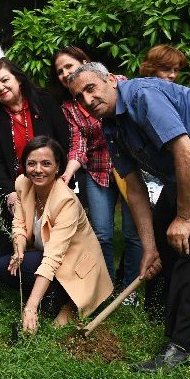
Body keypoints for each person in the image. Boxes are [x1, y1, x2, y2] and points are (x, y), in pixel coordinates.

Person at [67, 62, 190, 372]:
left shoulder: (142, 96)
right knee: (163, 234)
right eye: (79, 97)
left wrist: (186, 218)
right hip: (188, 165)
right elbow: (135, 190)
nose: (88, 100)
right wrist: (150, 248)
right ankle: (167, 317)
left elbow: (188, 152)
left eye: (91, 88)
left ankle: (183, 346)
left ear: (111, 80)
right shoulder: (111, 127)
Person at [50, 46, 142, 303]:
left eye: (69, 66)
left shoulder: (116, 83)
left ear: (84, 62)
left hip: (130, 170)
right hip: (97, 172)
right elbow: (78, 145)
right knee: (101, 234)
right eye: (59, 71)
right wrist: (68, 172)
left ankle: (130, 290)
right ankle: (106, 288)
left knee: (133, 233)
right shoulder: (70, 107)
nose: (65, 73)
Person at [0, 136, 112, 333]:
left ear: (58, 167)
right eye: (31, 163)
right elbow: (19, 224)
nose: (38, 170)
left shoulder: (66, 201)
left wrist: (30, 307)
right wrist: (19, 250)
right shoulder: (22, 184)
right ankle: (50, 298)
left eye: (46, 163)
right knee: (3, 267)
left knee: (55, 319)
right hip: (48, 257)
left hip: (75, 266)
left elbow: (53, 257)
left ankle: (70, 302)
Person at [0, 57, 70, 283]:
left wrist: (59, 177)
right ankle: (26, 276)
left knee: (55, 239)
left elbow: (63, 141)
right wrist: (10, 192)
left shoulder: (45, 101)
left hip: (51, 182)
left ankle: (58, 281)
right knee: (5, 264)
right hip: (14, 187)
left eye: (4, 80)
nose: (1, 88)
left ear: (18, 79)